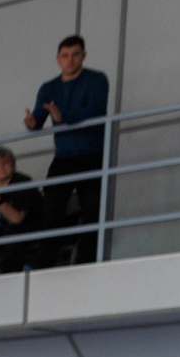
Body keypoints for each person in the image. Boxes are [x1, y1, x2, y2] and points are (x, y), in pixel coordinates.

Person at [26, 35, 111, 256]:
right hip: (64, 156)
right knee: (50, 210)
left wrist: (62, 117)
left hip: (92, 154)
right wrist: (31, 123)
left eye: (75, 54)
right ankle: (45, 262)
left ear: (84, 56)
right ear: (58, 59)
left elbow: (95, 112)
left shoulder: (96, 79)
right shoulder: (49, 87)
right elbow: (38, 120)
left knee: (93, 212)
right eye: (65, 55)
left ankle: (87, 261)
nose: (70, 60)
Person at [0, 146, 45, 275]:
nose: (1, 167)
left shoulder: (23, 182)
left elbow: (17, 219)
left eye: (6, 163)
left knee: (13, 234)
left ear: (14, 166)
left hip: (23, 228)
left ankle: (10, 276)